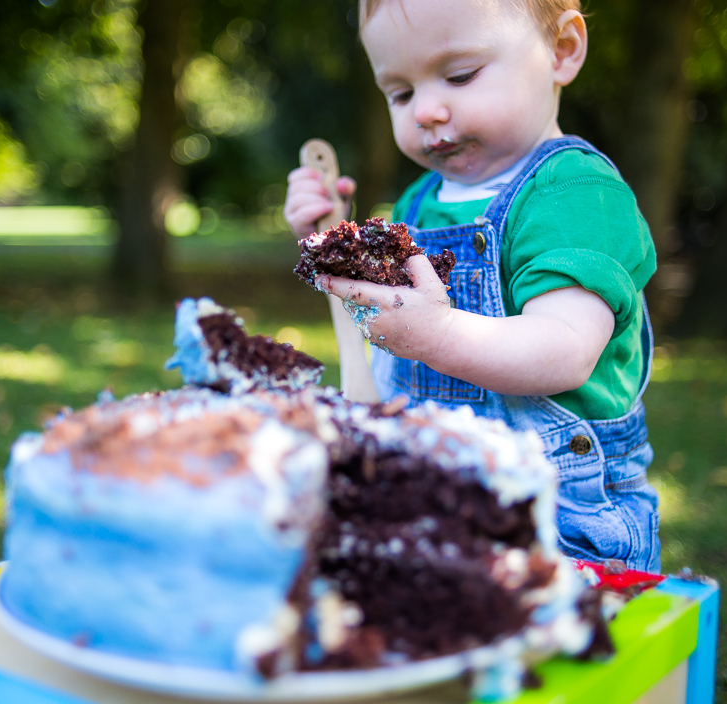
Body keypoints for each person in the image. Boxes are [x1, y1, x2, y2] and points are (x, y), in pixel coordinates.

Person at [283, 0, 661, 572]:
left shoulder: (576, 195)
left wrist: (438, 335)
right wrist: (329, 248)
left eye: (460, 76)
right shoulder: (418, 203)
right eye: (401, 93)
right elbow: (380, 317)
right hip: (421, 496)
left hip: (549, 517)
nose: (428, 111)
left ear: (562, 51)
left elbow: (565, 349)